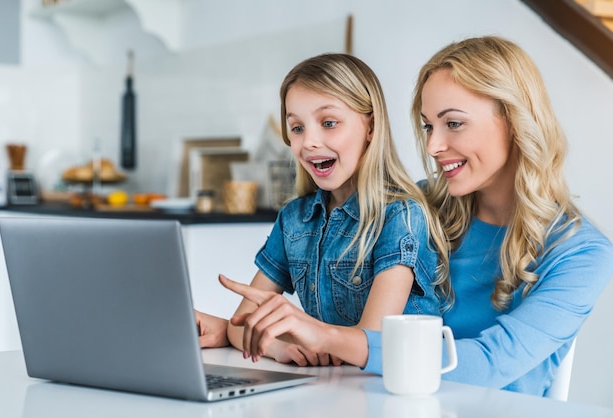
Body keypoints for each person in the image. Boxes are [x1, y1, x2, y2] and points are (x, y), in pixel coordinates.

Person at [219, 36, 613, 396]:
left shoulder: (580, 252)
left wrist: (324, 337)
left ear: (515, 121)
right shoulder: (411, 205)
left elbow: (490, 364)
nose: (433, 145)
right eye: (428, 126)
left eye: (453, 123)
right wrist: (233, 331)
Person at [199, 53, 451, 367]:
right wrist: (279, 347)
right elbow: (242, 325)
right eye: (297, 128)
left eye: (328, 123)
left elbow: (371, 343)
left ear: (370, 126)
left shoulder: (401, 217)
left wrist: (297, 329)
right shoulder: (294, 220)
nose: (309, 142)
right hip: (333, 388)